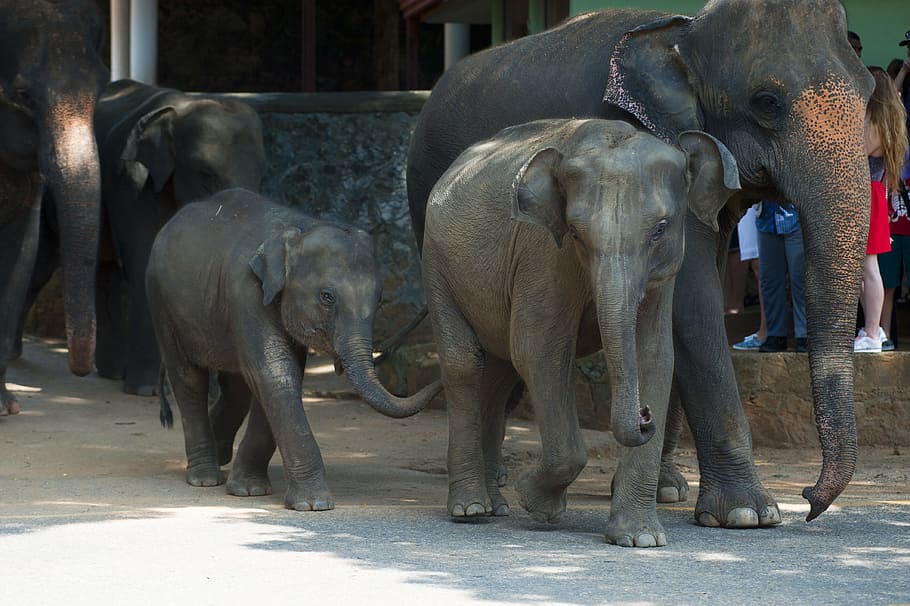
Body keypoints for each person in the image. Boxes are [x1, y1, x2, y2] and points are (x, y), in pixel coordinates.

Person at [857, 68, 908, 353]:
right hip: (872, 195)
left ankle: (874, 333)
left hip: (869, 196)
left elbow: (857, 149)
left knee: (869, 267)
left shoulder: (874, 123)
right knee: (863, 269)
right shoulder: (884, 120)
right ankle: (872, 329)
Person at [754, 200, 806, 353]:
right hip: (766, 220)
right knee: (769, 281)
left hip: (796, 217)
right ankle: (776, 335)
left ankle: (804, 335)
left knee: (800, 280)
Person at [731, 205, 769, 350]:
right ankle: (764, 330)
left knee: (761, 263)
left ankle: (766, 332)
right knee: (756, 261)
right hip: (750, 203)